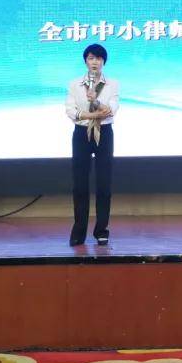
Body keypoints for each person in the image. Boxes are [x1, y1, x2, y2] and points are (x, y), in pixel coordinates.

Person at [65, 44, 119, 246]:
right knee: (80, 184)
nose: (94, 62)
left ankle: (101, 231)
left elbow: (111, 110)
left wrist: (96, 101)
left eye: (98, 58)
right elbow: (71, 111)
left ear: (104, 61)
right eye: (90, 58)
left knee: (104, 183)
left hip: (104, 133)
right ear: (85, 61)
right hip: (82, 133)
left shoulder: (112, 84)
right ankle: (79, 231)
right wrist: (91, 114)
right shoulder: (75, 84)